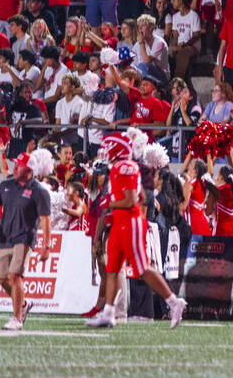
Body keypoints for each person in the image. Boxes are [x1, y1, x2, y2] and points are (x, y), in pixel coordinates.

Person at [84, 134, 186, 329]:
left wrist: (110, 204)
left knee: (142, 269)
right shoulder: (122, 167)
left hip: (129, 224)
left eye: (110, 147)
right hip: (120, 223)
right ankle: (109, 314)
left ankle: (174, 302)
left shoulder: (125, 167)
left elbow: (131, 200)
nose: (105, 152)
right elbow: (139, 194)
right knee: (112, 269)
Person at [0, 152, 51, 331]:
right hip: (5, 237)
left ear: (29, 170)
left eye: (20, 165)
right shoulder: (6, 185)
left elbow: (45, 220)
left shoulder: (39, 191)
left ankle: (17, 318)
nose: (16, 168)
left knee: (15, 276)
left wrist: (46, 245)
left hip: (24, 238)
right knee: (1, 277)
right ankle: (23, 304)